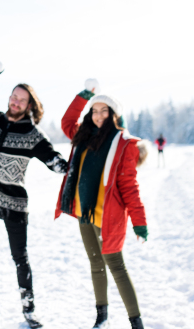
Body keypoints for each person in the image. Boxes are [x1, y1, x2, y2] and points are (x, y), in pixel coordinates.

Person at [0, 60, 68, 328]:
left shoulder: (33, 134)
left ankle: (29, 310)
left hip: (15, 205)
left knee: (20, 258)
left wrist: (77, 164)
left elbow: (56, 162)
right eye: (14, 96)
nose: (16, 102)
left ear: (30, 105)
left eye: (22, 99)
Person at [55, 79, 148, 329]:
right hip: (84, 212)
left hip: (108, 215)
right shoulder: (82, 136)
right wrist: (85, 95)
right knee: (95, 263)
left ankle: (136, 321)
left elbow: (129, 186)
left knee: (116, 264)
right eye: (94, 111)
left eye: (103, 110)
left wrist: (139, 222)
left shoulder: (123, 143)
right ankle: (102, 316)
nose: (98, 116)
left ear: (114, 114)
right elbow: (67, 122)